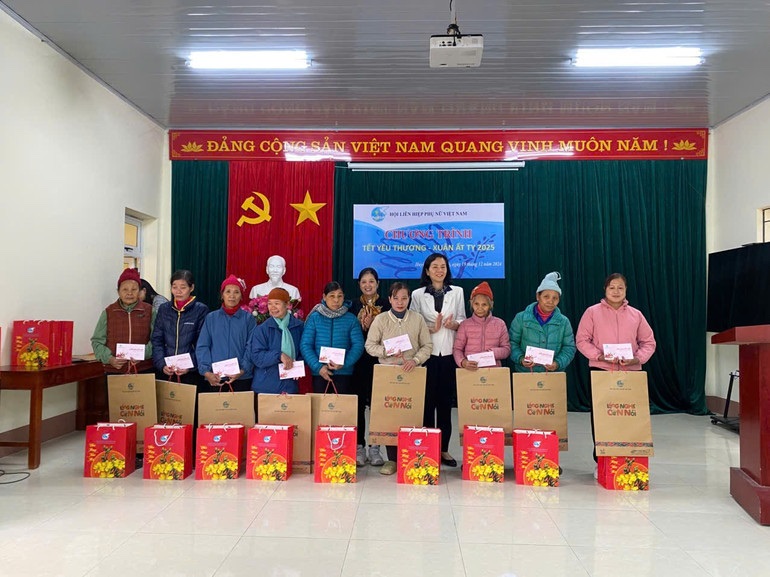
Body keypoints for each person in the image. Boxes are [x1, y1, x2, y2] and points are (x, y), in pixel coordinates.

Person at [575, 273, 657, 475]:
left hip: (630, 373)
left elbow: (649, 342)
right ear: (605, 289)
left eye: (620, 288)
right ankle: (601, 461)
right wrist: (600, 356)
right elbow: (582, 340)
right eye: (612, 287)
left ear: (626, 290)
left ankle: (629, 459)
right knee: (603, 417)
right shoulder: (592, 312)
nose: (616, 291)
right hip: (601, 371)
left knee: (629, 416)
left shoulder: (636, 315)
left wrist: (637, 359)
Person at [365, 282, 433, 475]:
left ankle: (413, 456)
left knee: (410, 414)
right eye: (396, 298)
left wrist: (416, 360)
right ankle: (392, 460)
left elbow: (427, 346)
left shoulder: (417, 319)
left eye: (404, 298)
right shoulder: (380, 320)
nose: (400, 302)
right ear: (389, 299)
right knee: (391, 416)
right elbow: (370, 346)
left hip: (412, 373)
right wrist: (387, 351)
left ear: (409, 299)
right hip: (389, 374)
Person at [409, 253, 466, 467]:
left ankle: (443, 450)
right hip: (426, 355)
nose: (439, 270)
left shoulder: (457, 292)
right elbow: (413, 323)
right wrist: (429, 328)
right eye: (435, 266)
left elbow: (462, 318)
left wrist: (455, 325)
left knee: (444, 404)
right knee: (426, 404)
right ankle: (426, 447)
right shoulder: (416, 294)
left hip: (449, 354)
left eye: (443, 266)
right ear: (426, 270)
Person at [349, 267, 390, 467]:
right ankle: (359, 447)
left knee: (377, 405)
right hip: (359, 361)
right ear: (359, 284)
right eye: (364, 282)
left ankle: (375, 447)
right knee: (357, 405)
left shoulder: (386, 305)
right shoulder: (353, 306)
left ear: (378, 283)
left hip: (381, 361)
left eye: (371, 281)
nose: (368, 285)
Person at [300, 281, 364, 392]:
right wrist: (318, 367)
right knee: (320, 408)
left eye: (340, 296)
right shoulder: (314, 318)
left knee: (341, 408)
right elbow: (305, 344)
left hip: (344, 373)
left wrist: (344, 363)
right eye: (332, 296)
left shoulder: (351, 319)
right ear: (324, 297)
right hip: (320, 373)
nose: (336, 300)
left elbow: (358, 345)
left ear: (344, 297)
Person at [197, 275, 256, 392]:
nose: (232, 296)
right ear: (222, 295)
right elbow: (203, 346)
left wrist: (243, 369)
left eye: (236, 292)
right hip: (215, 377)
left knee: (240, 410)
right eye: (228, 291)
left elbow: (251, 346)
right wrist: (206, 372)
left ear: (241, 296)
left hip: (241, 378)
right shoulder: (211, 318)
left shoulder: (248, 319)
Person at [91, 267, 156, 374]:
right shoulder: (108, 312)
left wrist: (144, 354)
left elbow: (156, 339)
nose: (129, 293)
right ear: (118, 291)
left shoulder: (150, 311)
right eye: (125, 289)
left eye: (134, 289)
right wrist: (109, 359)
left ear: (140, 291)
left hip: (144, 369)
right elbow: (97, 341)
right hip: (115, 370)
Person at [509, 272, 576, 373]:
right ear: (537, 296)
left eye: (555, 298)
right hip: (526, 373)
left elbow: (569, 347)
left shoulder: (564, 322)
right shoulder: (521, 318)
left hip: (553, 376)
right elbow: (512, 343)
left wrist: (557, 363)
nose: (550, 301)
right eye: (546, 296)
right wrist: (521, 358)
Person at [151, 270, 209, 385]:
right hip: (166, 370)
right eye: (174, 287)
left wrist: (190, 365)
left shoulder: (201, 310)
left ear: (191, 288)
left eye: (183, 287)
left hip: (190, 373)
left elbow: (202, 344)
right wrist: (162, 364)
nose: (178, 291)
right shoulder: (164, 309)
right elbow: (157, 340)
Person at [248, 287, 304, 395]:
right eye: (269, 303)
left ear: (287, 304)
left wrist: (298, 365)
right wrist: (279, 355)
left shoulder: (299, 327)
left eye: (277, 303)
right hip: (266, 388)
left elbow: (303, 351)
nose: (272, 308)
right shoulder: (262, 329)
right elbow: (257, 357)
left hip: (290, 387)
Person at [453, 282, 511, 369]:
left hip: (493, 371)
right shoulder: (465, 325)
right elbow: (457, 349)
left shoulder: (500, 324)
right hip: (470, 372)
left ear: (490, 305)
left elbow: (506, 349)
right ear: (472, 304)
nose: (480, 308)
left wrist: (491, 353)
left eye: (484, 304)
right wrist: (463, 362)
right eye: (476, 304)